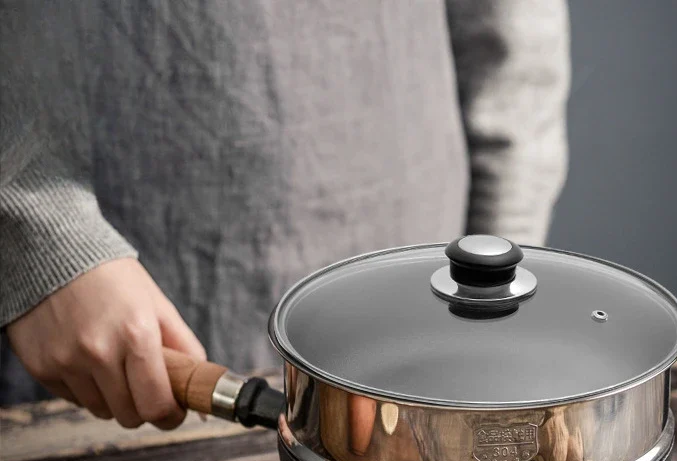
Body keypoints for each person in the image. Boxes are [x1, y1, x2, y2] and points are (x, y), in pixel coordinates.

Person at [0, 0, 569, 429]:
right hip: (91, 320)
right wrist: (35, 227)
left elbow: (515, 53)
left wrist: (490, 304)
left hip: (421, 318)